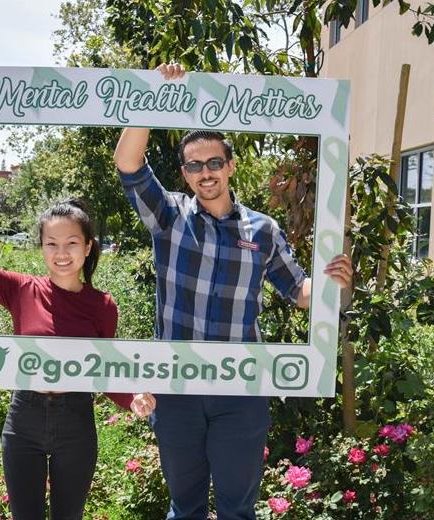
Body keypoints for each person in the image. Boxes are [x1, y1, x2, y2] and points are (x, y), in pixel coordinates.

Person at [113, 64, 353, 520]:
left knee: (238, 509)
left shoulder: (262, 229)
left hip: (240, 389)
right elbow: (128, 164)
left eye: (215, 163)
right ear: (184, 173)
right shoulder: (168, 217)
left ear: (231, 166)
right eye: (195, 165)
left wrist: (334, 282)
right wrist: (149, 92)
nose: (206, 173)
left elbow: (299, 292)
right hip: (177, 387)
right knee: (184, 509)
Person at [0, 162, 155, 520]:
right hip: (24, 420)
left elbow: (104, 372)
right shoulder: (21, 290)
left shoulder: (103, 307)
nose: (61, 252)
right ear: (41, 247)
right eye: (51, 243)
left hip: (76, 423)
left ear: (87, 248)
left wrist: (134, 398)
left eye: (71, 243)